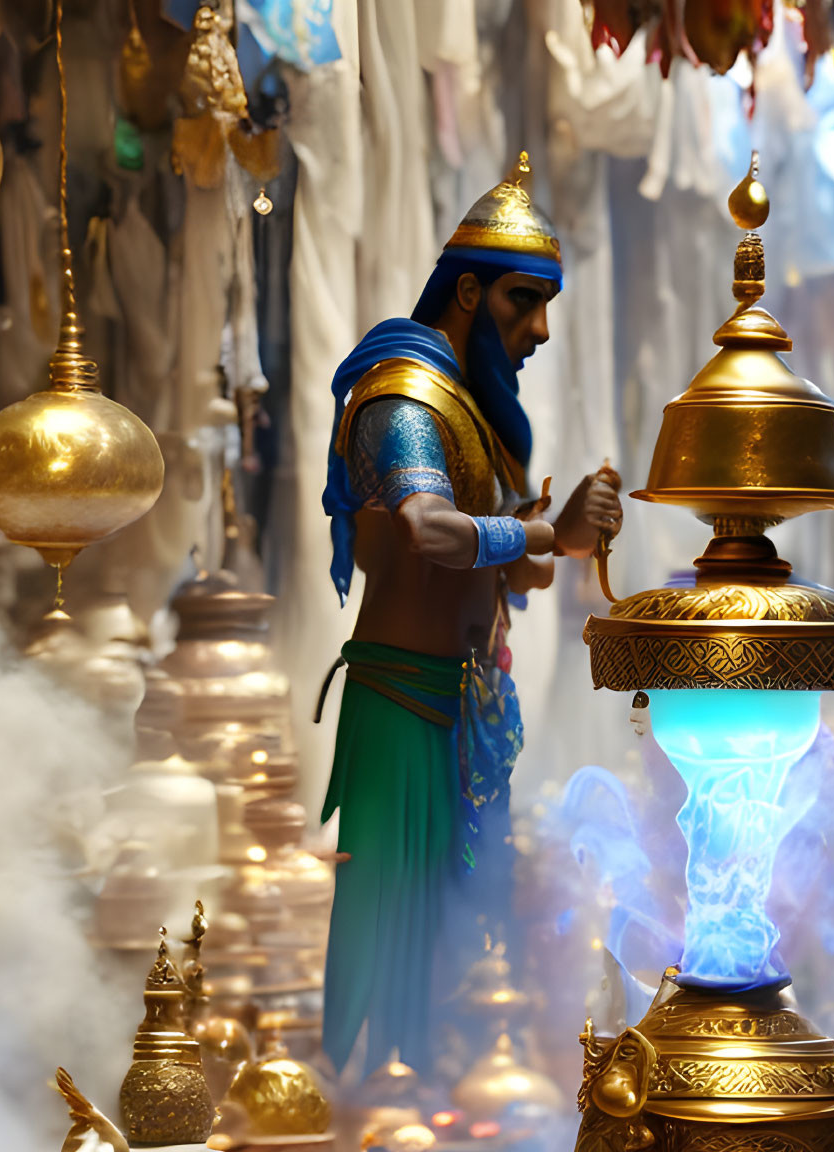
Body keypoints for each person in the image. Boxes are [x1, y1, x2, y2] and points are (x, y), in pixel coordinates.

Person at [318, 151, 623, 1078]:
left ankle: (446, 1151)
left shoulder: (474, 412)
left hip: (465, 715)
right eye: (520, 302)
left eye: (543, 308)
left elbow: (505, 572)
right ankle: (370, 1145)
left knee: (460, 958)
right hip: (403, 712)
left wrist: (562, 533)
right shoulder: (403, 394)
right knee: (389, 953)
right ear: (462, 293)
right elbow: (429, 533)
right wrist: (539, 534)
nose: (536, 329)